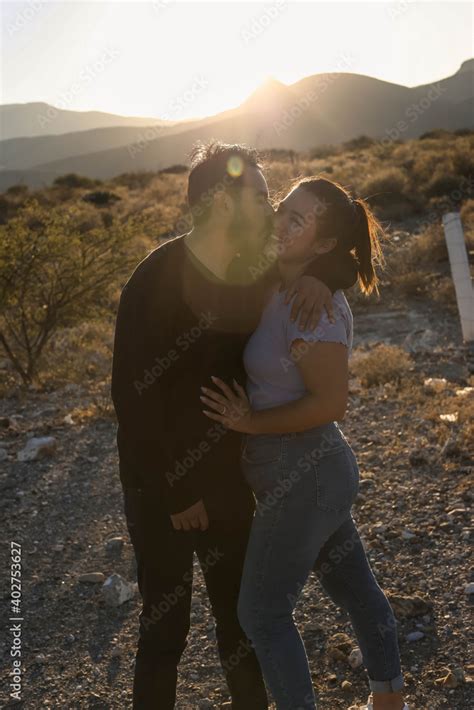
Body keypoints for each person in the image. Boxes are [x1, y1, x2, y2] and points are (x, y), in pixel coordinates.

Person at [110, 143, 358, 709]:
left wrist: (326, 275)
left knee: (241, 628)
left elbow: (332, 254)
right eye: (262, 196)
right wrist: (177, 492)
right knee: (164, 633)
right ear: (223, 203)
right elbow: (131, 400)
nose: (272, 210)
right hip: (161, 492)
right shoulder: (154, 281)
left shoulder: (255, 269)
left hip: (230, 481)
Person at [201, 177, 409, 710]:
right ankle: (390, 701)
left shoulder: (309, 306)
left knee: (262, 614)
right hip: (313, 474)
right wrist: (324, 270)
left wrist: (248, 424)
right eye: (283, 209)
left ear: (322, 244)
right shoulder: (284, 279)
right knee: (356, 592)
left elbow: (329, 403)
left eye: (299, 220)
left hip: (305, 474)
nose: (281, 222)